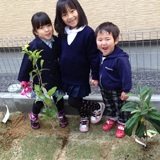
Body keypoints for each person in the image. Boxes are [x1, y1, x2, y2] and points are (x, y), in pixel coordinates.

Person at [54, 0, 105, 132]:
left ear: (78, 10)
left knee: (73, 101)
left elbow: (93, 57)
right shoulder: (62, 33)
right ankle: (84, 117)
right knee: (76, 98)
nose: (70, 17)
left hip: (79, 74)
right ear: (60, 17)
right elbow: (59, 53)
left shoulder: (87, 32)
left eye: (72, 11)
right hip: (66, 74)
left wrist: (95, 75)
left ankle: (97, 107)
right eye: (64, 14)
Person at [18, 12, 67, 130]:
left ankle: (61, 115)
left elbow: (64, 56)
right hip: (41, 80)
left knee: (59, 99)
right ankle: (34, 116)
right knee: (39, 102)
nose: (47, 30)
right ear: (35, 31)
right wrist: (24, 79)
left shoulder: (57, 41)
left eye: (48, 25)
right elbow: (26, 64)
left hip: (56, 77)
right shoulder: (33, 46)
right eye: (41, 27)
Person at [95, 22, 132, 138]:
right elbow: (96, 67)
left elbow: (126, 75)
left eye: (107, 39)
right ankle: (112, 118)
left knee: (121, 106)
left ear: (116, 40)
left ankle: (122, 122)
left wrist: (126, 90)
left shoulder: (120, 59)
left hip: (117, 89)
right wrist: (95, 77)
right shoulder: (100, 55)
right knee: (109, 104)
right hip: (104, 88)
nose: (104, 43)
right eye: (100, 40)